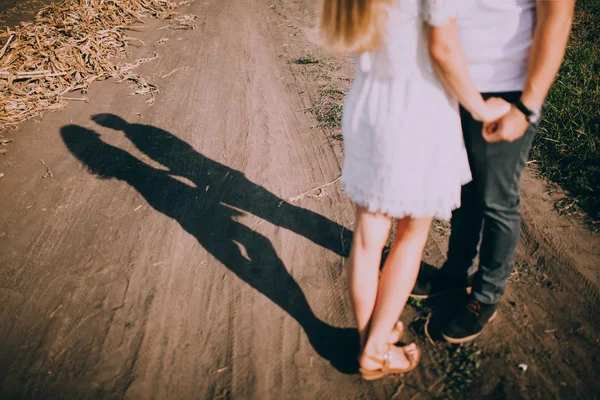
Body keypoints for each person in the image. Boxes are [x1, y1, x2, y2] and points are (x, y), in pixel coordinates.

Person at [318, 0, 510, 379]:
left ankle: (369, 336)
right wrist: (482, 108)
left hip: (368, 102)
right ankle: (375, 352)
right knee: (409, 235)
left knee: (368, 237)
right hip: (416, 110)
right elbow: (443, 48)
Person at [410, 0, 576, 344]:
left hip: (509, 93)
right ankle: (456, 273)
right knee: (465, 186)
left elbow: (557, 19)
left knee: (496, 199)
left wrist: (526, 107)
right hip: (456, 85)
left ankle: (486, 294)